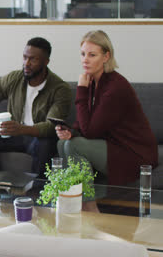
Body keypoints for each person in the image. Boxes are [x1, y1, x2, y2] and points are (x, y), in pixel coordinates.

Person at [56, 30, 158, 185]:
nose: (85, 60)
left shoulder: (115, 87)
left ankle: (87, 203)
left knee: (74, 145)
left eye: (92, 55)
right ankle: (76, 197)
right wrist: (70, 131)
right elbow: (86, 123)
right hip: (112, 145)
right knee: (62, 143)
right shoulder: (95, 81)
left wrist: (81, 90)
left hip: (133, 153)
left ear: (106, 56)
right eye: (83, 54)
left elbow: (90, 132)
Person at [0, 37, 71, 177]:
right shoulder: (15, 78)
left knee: (45, 145)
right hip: (13, 134)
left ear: (46, 62)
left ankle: (37, 192)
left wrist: (21, 129)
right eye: (25, 57)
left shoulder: (60, 89)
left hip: (38, 137)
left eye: (33, 59)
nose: (26, 63)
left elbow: (51, 126)